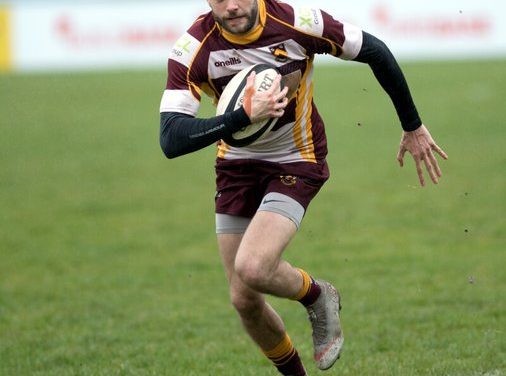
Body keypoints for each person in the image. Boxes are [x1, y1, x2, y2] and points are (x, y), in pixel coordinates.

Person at [159, 0, 448, 374]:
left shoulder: (297, 22)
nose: (231, 6)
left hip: (296, 159)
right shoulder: (195, 48)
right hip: (235, 168)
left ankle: (317, 295)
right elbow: (170, 138)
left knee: (254, 267)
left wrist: (412, 125)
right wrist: (241, 117)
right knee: (244, 300)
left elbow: (374, 50)